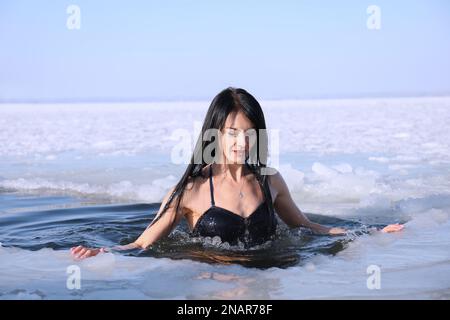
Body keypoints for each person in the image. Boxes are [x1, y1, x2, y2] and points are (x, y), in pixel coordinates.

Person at [71, 87, 403, 260]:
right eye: (231, 132)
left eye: (248, 132)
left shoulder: (270, 181)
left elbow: (307, 227)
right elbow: (144, 243)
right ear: (214, 133)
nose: (240, 142)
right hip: (213, 283)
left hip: (265, 280)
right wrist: (103, 253)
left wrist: (370, 231)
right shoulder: (192, 189)